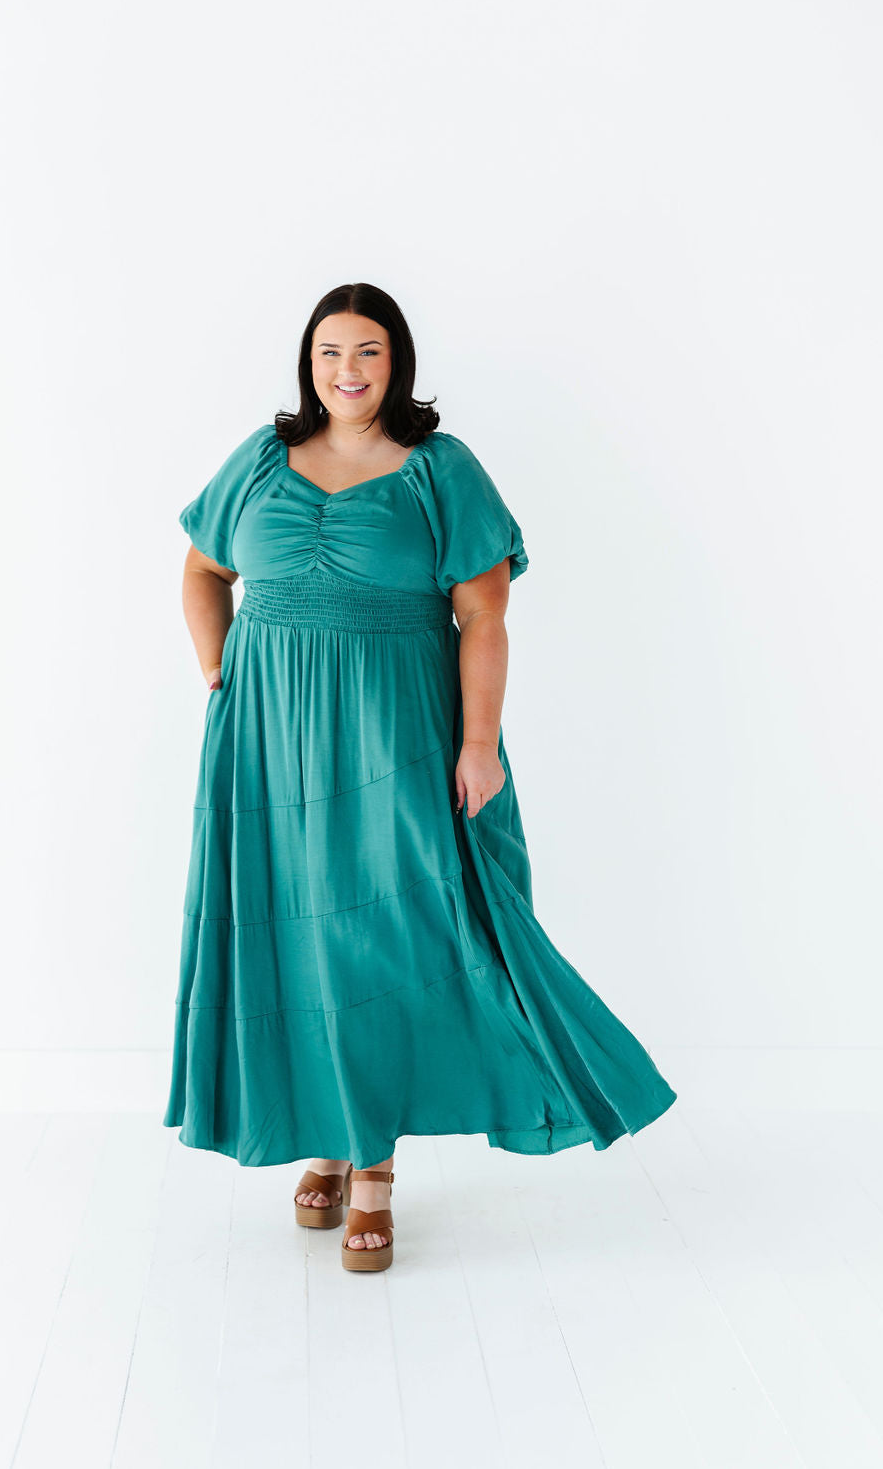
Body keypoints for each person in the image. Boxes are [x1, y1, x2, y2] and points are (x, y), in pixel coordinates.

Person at [163, 282, 678, 1273]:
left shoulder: (440, 469)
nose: (346, 371)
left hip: (395, 732)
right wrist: (219, 669)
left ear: (395, 361)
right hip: (267, 739)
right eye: (329, 353)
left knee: (385, 938)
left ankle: (372, 1166)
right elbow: (200, 569)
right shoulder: (261, 460)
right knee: (293, 932)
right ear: (307, 364)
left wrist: (478, 743)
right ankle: (323, 1133)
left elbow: (483, 615)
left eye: (367, 351)